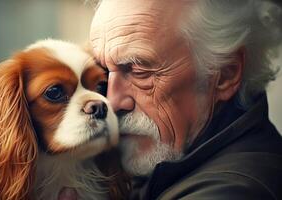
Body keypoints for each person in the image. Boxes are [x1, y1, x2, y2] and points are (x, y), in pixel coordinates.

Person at [86, 0, 282, 199]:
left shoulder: (231, 192)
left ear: (225, 74)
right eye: (102, 74)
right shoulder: (169, 160)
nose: (111, 101)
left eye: (139, 71)